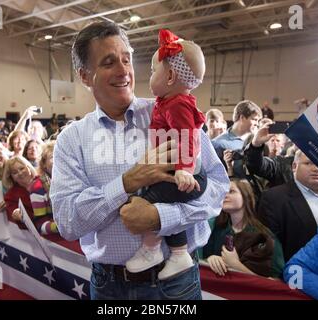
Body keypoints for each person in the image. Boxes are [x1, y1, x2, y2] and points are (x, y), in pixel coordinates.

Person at [51, 21, 228, 300]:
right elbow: (68, 222)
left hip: (176, 283)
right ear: (85, 76)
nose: (124, 71)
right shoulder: (72, 139)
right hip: (109, 285)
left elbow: (217, 188)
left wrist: (160, 218)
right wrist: (127, 183)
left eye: (126, 59)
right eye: (109, 62)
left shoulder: (171, 109)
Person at [122, 29, 207, 280]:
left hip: (182, 170)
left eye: (152, 71)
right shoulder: (166, 101)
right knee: (165, 202)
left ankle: (153, 249)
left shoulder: (178, 103)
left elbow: (187, 137)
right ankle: (177, 252)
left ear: (169, 75)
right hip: (172, 167)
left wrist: (184, 168)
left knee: (149, 203)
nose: (150, 76)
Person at [258, 150, 318, 261]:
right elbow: (270, 247)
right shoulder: (274, 198)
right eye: (309, 163)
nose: (317, 169)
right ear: (294, 166)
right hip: (303, 269)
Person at [203, 178, 284, 278]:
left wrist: (236, 265)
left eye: (231, 191)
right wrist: (210, 259)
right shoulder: (216, 230)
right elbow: (202, 261)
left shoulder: (264, 237)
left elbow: (277, 281)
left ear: (247, 197)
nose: (225, 195)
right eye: (223, 192)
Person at [29, 142, 58, 235]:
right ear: (44, 164)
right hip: (58, 241)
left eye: (60, 155)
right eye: (52, 157)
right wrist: (61, 227)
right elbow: (41, 226)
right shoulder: (38, 187)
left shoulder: (74, 180)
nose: (58, 159)